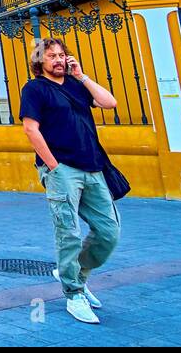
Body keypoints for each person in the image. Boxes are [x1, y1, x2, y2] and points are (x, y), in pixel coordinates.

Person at [20, 37, 120, 326]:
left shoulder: (77, 85)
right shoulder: (35, 89)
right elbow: (30, 129)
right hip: (63, 170)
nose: (58, 60)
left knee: (108, 231)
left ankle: (79, 274)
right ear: (40, 62)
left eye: (62, 55)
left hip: (93, 166)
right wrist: (53, 166)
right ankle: (74, 294)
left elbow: (109, 103)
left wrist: (82, 76)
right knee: (69, 232)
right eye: (51, 56)